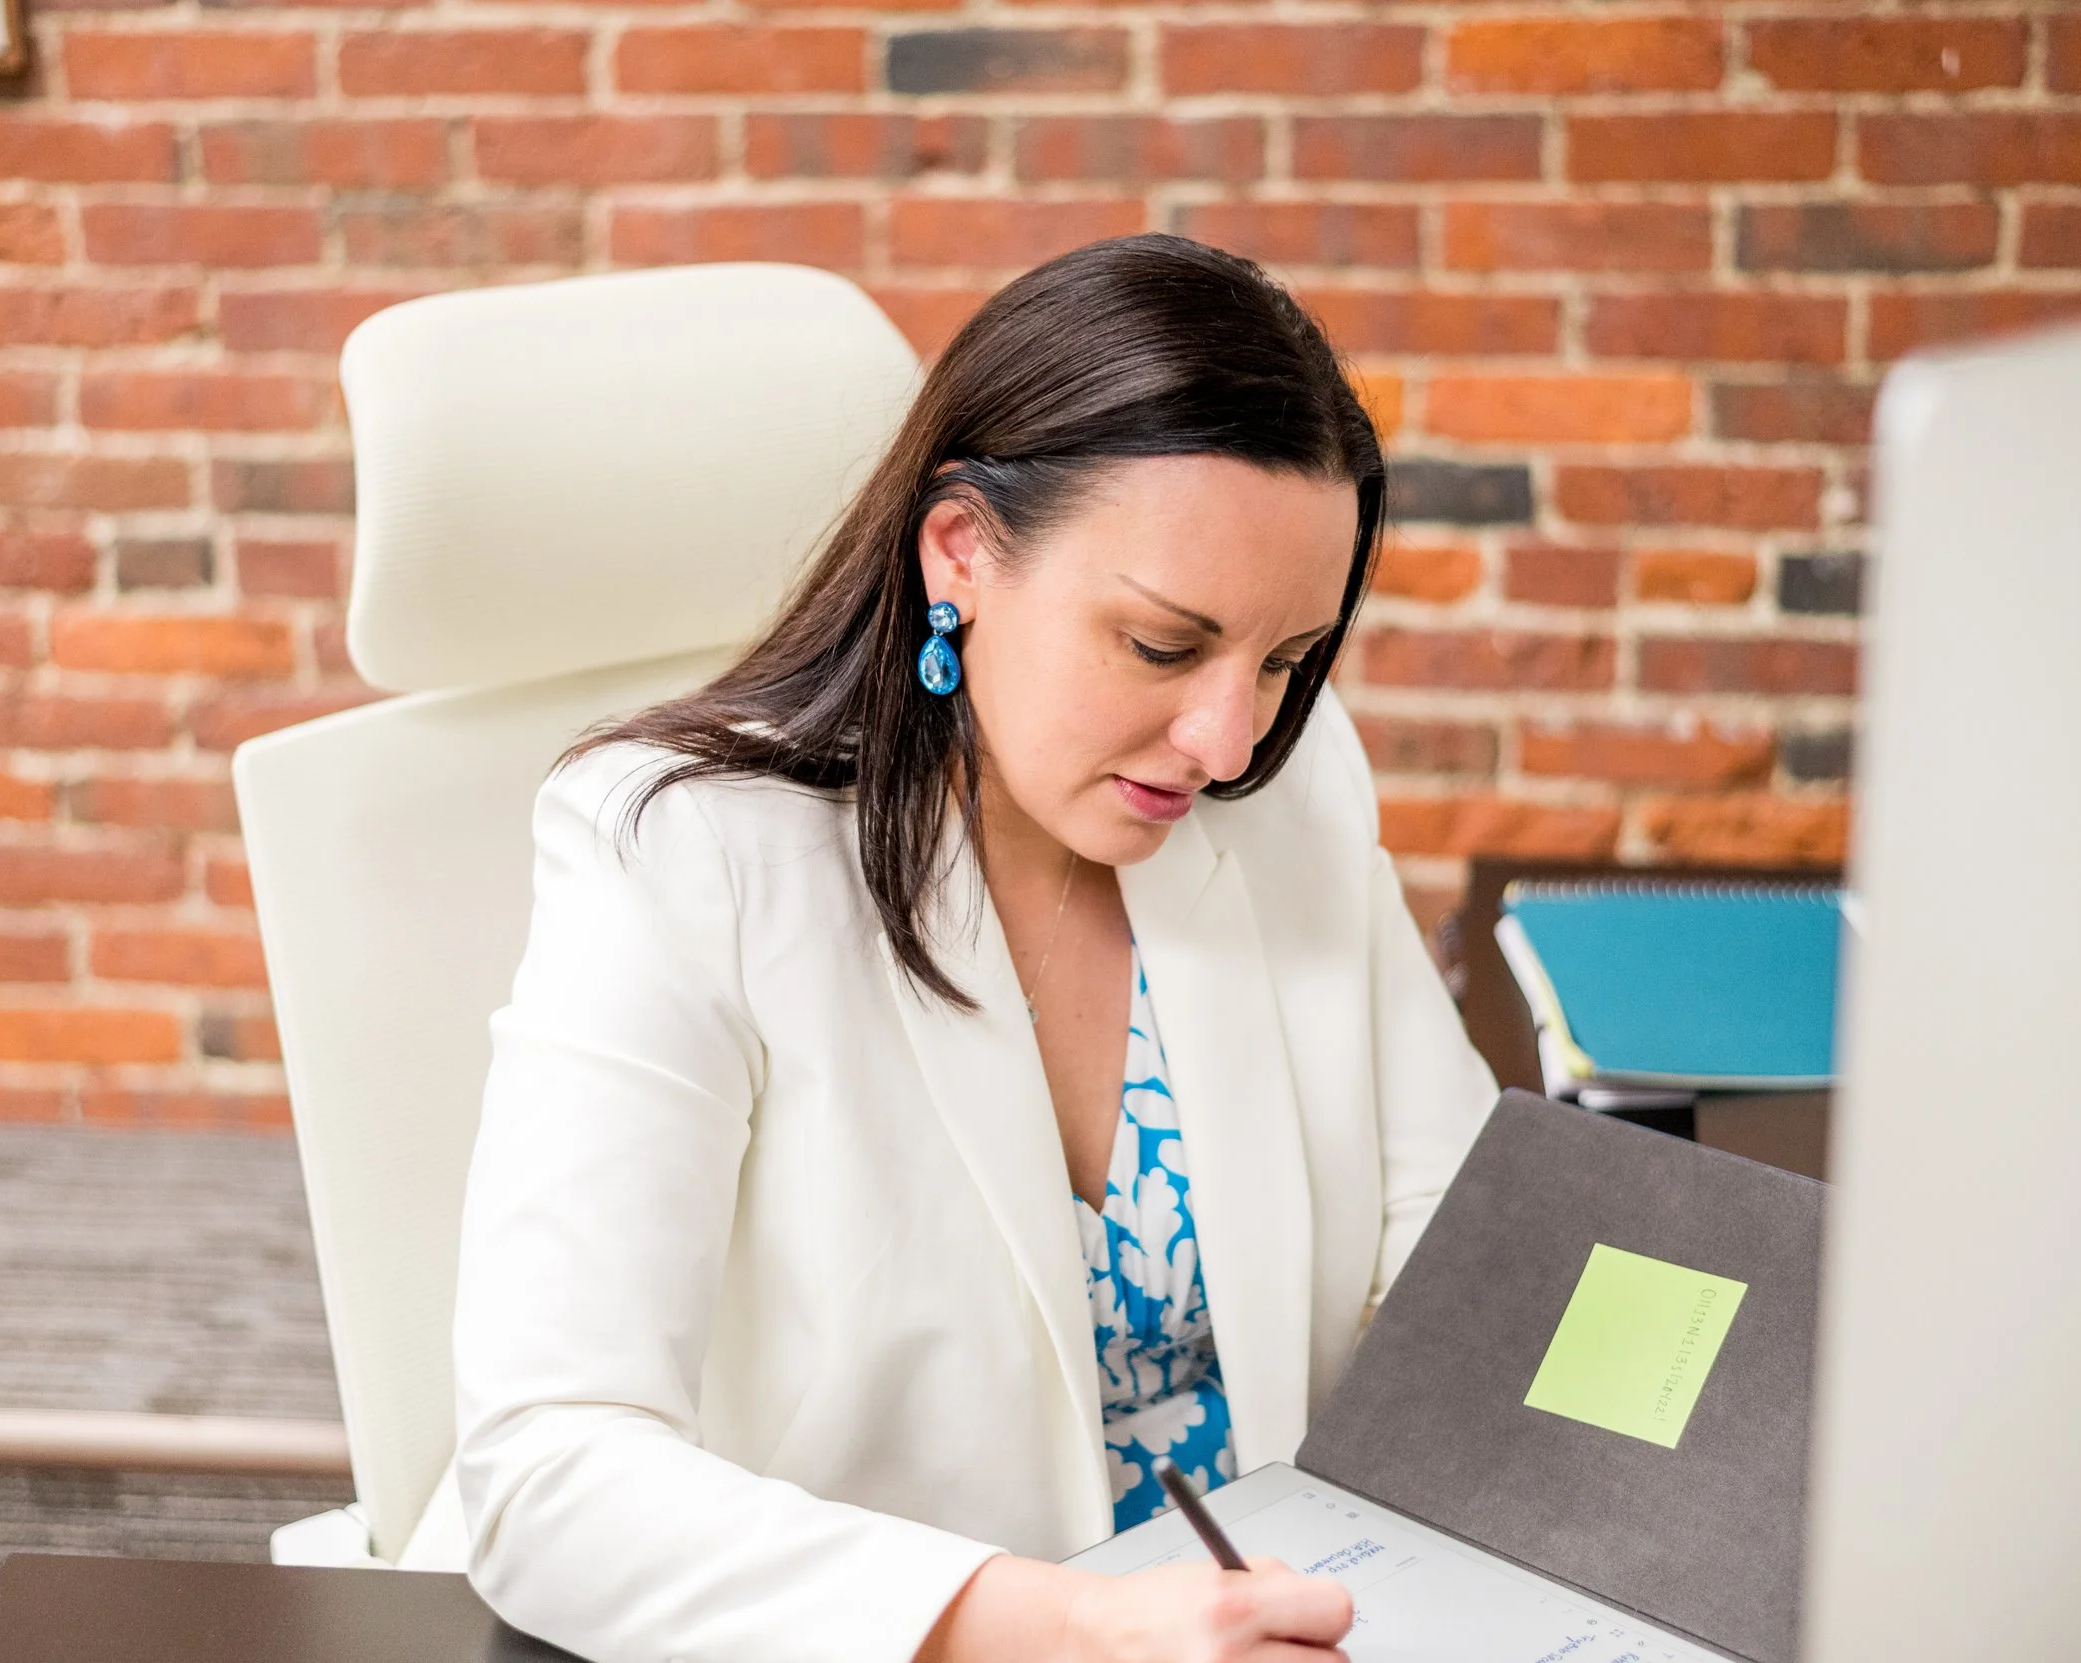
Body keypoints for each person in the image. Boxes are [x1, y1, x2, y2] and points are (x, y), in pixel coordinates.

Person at [451, 234, 1500, 1663]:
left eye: (1284, 658)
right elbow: (546, 1470)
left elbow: (1473, 1249)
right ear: (962, 553)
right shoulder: (680, 853)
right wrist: (1082, 1629)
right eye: (1161, 644)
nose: (1230, 737)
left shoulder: (1286, 792)